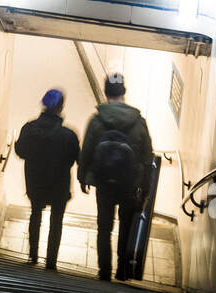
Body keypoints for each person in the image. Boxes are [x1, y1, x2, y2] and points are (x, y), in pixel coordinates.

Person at [79, 72, 154, 282]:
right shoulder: (139, 122)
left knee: (104, 227)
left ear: (106, 92)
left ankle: (104, 271)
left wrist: (83, 176)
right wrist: (145, 189)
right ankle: (122, 270)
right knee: (126, 225)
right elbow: (148, 158)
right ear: (124, 92)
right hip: (130, 183)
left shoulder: (97, 120)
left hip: (104, 182)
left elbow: (86, 151)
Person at [14, 89, 80, 270]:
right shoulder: (69, 135)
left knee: (35, 214)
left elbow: (20, 151)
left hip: (35, 183)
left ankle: (33, 256)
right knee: (56, 221)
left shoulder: (29, 128)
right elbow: (77, 158)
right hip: (59, 185)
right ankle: (51, 262)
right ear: (61, 108)